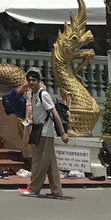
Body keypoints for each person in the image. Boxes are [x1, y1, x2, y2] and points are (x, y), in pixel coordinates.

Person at [19, 67, 68, 199]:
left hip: (46, 132)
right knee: (50, 163)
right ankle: (57, 191)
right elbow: (38, 114)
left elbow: (55, 114)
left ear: (39, 81)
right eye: (29, 80)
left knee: (39, 161)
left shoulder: (43, 94)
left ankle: (34, 188)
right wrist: (29, 122)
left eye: (34, 80)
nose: (31, 82)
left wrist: (62, 133)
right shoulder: (34, 94)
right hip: (39, 130)